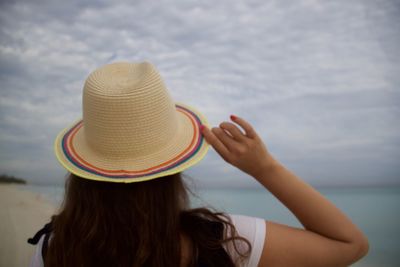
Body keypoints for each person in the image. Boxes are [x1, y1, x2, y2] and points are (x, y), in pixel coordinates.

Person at [28, 62, 369, 267]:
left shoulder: (54, 247)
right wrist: (264, 167)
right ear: (172, 166)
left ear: (85, 171)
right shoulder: (225, 243)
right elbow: (350, 245)